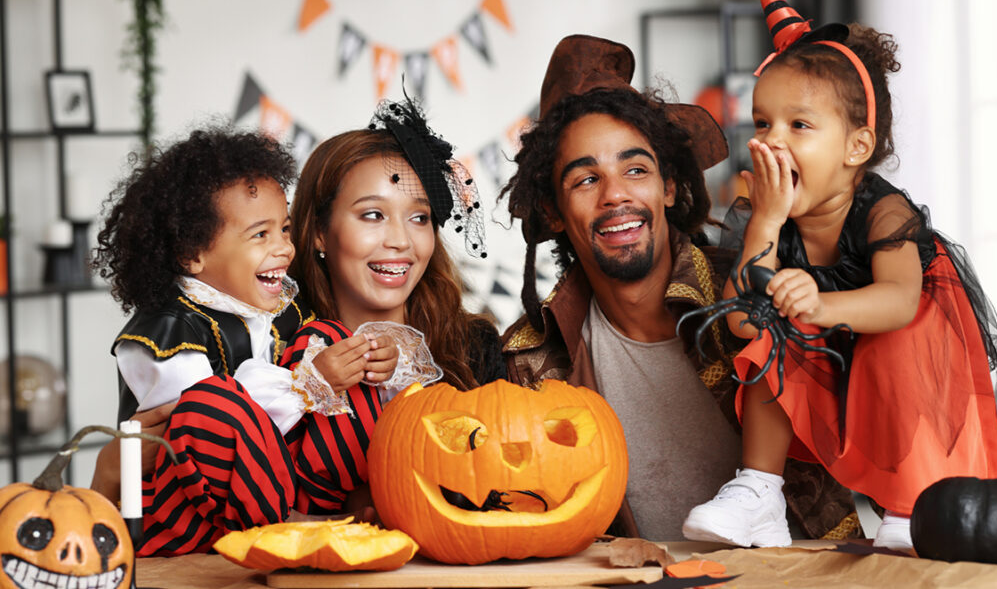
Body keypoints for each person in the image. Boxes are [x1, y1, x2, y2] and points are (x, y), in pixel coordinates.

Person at [682, 0, 997, 551]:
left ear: (856, 148)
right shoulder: (764, 215)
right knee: (771, 333)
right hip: (825, 349)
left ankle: (912, 503)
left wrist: (820, 301)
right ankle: (759, 490)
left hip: (905, 344)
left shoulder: (883, 212)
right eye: (762, 124)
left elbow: (900, 299)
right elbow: (741, 322)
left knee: (895, 337)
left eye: (799, 126)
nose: (772, 143)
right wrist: (764, 223)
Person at [498, 34, 861, 542]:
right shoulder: (527, 361)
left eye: (636, 170)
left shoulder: (762, 289)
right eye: (586, 180)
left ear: (668, 187)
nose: (616, 195)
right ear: (553, 212)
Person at [90, 127, 396, 556]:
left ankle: (341, 501)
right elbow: (202, 419)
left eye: (285, 230)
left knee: (331, 337)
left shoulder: (282, 310)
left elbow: (311, 385)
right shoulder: (164, 330)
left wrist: (367, 359)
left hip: (280, 486)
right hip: (185, 508)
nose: (284, 249)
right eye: (260, 235)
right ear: (193, 254)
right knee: (213, 403)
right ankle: (288, 526)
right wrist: (309, 383)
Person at [285, 95, 506, 410]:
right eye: (373, 215)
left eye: (419, 218)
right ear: (319, 232)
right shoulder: (280, 353)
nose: (401, 241)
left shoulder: (474, 349)